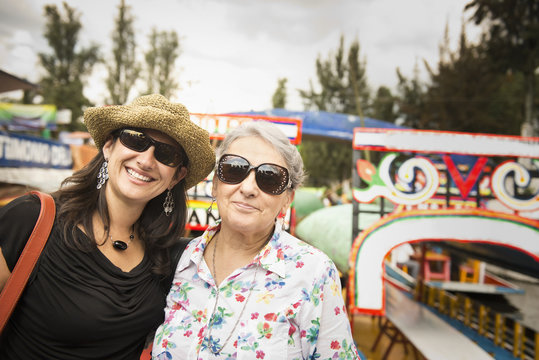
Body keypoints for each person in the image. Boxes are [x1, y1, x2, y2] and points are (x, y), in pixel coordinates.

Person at [0, 94, 215, 359]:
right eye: (136, 140)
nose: (146, 160)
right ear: (109, 146)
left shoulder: (169, 256)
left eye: (166, 153)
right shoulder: (30, 219)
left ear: (177, 176)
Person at [153, 121, 360, 359]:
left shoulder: (314, 273)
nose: (248, 188)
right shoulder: (178, 260)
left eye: (270, 177)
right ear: (216, 184)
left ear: (287, 199)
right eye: (233, 169)